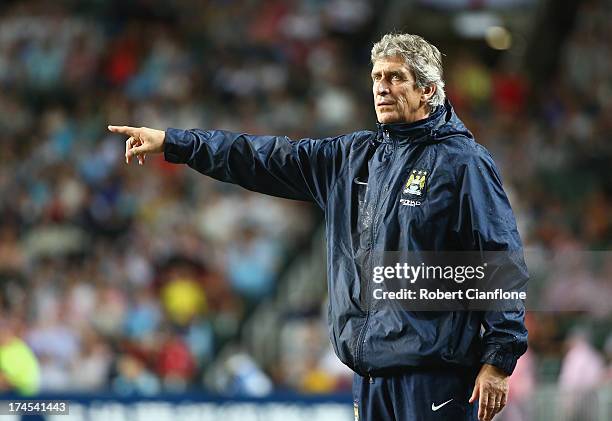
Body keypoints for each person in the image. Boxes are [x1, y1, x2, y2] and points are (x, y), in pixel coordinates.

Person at [108, 33, 528, 421]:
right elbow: (259, 156)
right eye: (377, 77)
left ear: (428, 90)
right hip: (370, 376)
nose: (381, 86)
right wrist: (174, 142)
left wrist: (498, 358)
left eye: (396, 77)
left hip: (435, 376)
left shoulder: (463, 162)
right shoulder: (351, 158)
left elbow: (499, 257)